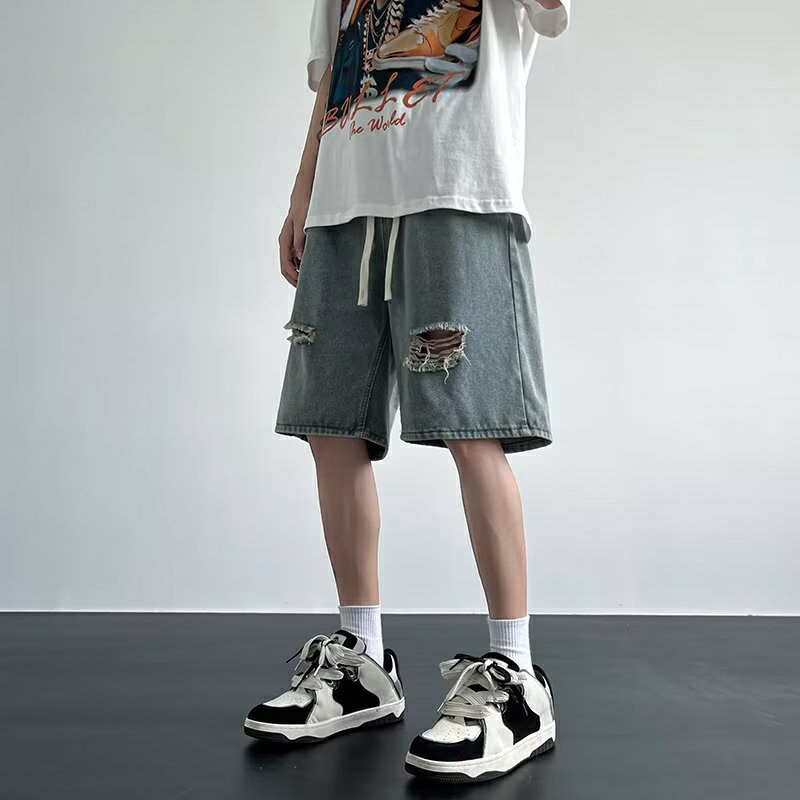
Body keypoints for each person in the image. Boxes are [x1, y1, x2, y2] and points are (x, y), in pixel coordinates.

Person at [244, 0, 570, 783]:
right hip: (344, 206)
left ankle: (516, 672)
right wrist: (301, 194)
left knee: (472, 424)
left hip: (459, 193)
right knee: (331, 425)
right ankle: (360, 658)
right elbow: (334, 82)